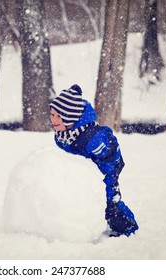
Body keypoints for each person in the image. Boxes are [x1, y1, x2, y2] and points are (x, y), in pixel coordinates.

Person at [49, 84, 139, 237]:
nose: (54, 120)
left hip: (107, 168)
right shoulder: (62, 135)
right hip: (82, 171)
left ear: (70, 117)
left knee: (110, 203)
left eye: (59, 116)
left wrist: (100, 180)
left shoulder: (93, 139)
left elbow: (108, 158)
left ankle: (128, 227)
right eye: (52, 115)